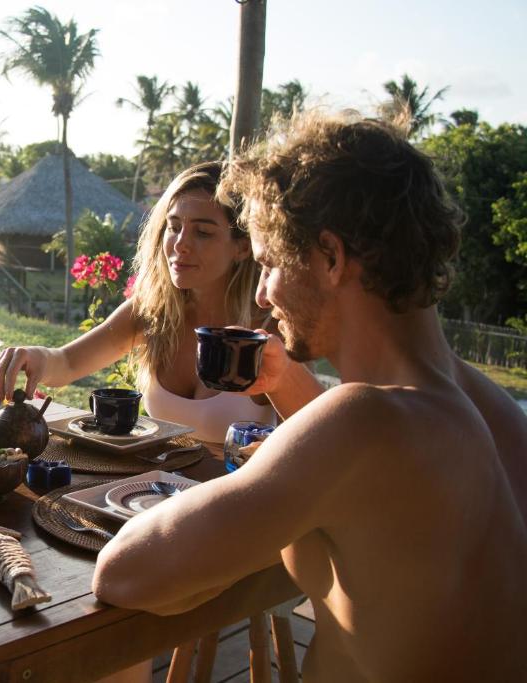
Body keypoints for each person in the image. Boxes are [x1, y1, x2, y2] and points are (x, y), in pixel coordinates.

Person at [93, 111, 527, 681]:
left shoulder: (366, 420)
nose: (266, 296)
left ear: (329, 258)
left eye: (269, 263)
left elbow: (125, 573)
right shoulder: (496, 413)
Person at [0, 161, 288, 444]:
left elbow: (312, 435)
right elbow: (68, 362)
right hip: (152, 490)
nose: (181, 243)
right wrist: (35, 357)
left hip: (237, 491)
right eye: (173, 227)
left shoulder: (269, 329)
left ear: (241, 247)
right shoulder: (153, 312)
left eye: (203, 232)